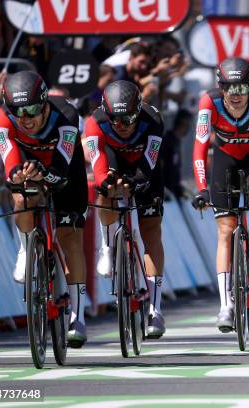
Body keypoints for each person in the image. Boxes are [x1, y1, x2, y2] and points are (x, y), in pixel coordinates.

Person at [0, 71, 89, 347]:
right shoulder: (2, 119)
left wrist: (43, 174)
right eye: (17, 111)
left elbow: (61, 170)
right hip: (29, 165)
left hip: (64, 170)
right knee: (21, 198)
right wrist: (19, 175)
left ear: (46, 104)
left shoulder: (67, 116)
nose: (25, 117)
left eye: (32, 109)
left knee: (70, 235)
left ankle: (77, 317)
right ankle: (26, 249)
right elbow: (10, 163)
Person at [191, 57, 249, 333]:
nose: (236, 94)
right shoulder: (209, 103)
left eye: (242, 88)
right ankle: (225, 305)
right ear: (220, 88)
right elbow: (199, 149)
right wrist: (202, 187)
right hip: (225, 160)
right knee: (225, 230)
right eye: (229, 88)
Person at [83, 80, 166, 339]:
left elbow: (149, 162)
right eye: (115, 119)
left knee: (151, 232)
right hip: (112, 161)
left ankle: (155, 308)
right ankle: (107, 247)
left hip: (144, 167)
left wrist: (137, 182)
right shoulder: (94, 122)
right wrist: (106, 182)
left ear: (138, 110)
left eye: (129, 118)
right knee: (105, 192)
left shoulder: (153, 119)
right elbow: (97, 164)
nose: (122, 124)